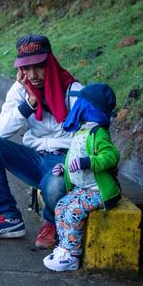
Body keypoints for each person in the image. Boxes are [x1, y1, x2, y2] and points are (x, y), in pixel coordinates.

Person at [0, 34, 83, 249]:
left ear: (49, 63)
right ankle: (8, 219)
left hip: (65, 162)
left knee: (56, 184)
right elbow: (1, 130)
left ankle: (52, 222)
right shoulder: (21, 91)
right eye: (26, 68)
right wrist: (30, 103)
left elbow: (89, 136)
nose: (33, 75)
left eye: (39, 67)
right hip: (34, 159)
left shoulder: (74, 91)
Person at [43, 83, 120, 272]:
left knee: (72, 212)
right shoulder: (82, 131)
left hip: (97, 191)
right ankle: (64, 248)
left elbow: (111, 156)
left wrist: (89, 162)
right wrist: (64, 167)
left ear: (89, 106)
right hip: (83, 189)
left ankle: (71, 256)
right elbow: (74, 157)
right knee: (61, 207)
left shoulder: (98, 133)